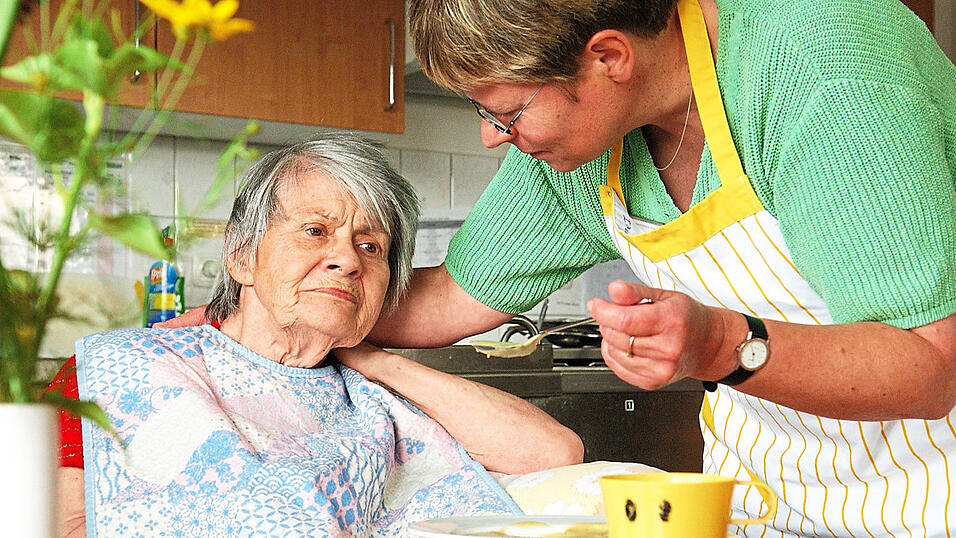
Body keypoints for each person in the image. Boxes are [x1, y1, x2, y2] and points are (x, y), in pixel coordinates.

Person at [160, 0, 955, 534]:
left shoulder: (822, 62)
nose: (489, 140)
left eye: (504, 113)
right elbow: (445, 300)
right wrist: (261, 305)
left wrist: (716, 346)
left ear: (607, 57)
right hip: (761, 500)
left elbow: (932, 366)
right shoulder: (582, 145)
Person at [50, 133, 583, 537]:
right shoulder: (122, 370)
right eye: (315, 231)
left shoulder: (375, 395)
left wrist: (376, 361)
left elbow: (553, 451)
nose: (347, 260)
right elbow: (57, 524)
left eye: (371, 246)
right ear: (241, 255)